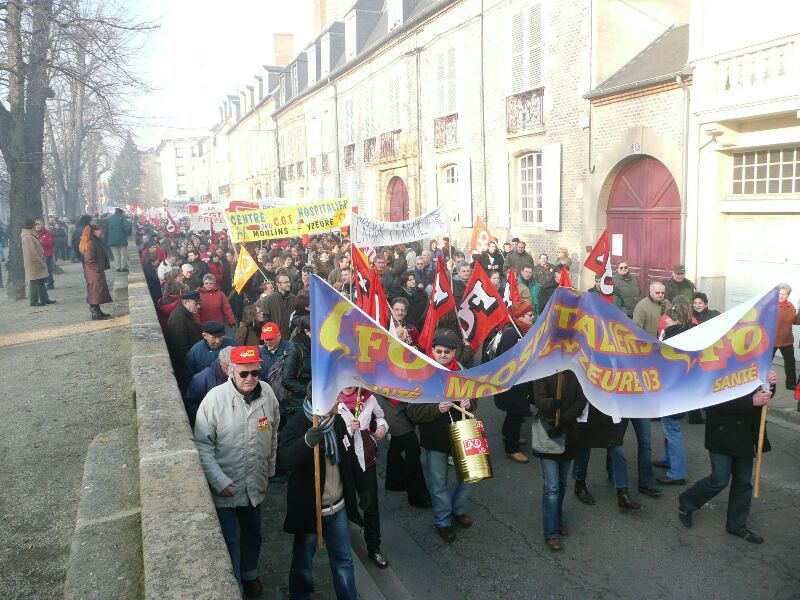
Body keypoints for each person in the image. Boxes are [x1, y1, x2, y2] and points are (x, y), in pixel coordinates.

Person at [194, 345, 280, 597]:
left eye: (255, 373)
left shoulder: (268, 395)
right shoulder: (214, 399)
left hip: (254, 483)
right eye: (244, 374)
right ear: (231, 371)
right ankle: (235, 587)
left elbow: (273, 435)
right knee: (229, 540)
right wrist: (218, 480)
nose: (250, 379)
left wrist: (269, 470)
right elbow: (202, 444)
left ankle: (249, 575)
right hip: (227, 487)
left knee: (254, 533)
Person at [280, 383, 361, 600]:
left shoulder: (338, 422)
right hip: (311, 510)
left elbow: (348, 459)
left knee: (344, 560)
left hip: (338, 509)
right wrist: (306, 442)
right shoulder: (298, 423)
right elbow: (286, 459)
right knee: (303, 563)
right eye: (335, 398)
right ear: (322, 402)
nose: (340, 400)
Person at [678, 371, 776, 544]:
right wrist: (750, 402)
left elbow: (765, 394)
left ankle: (737, 525)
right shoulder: (718, 363)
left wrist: (770, 383)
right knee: (719, 479)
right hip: (721, 432)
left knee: (743, 482)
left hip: (746, 433)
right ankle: (688, 501)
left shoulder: (756, 360)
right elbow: (710, 401)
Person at [406, 329, 477, 543]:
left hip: (463, 432)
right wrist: (437, 409)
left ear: (455, 352)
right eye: (439, 351)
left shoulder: (463, 372)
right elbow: (413, 411)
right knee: (439, 483)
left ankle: (456, 508)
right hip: (436, 438)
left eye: (447, 352)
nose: (443, 355)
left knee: (469, 477)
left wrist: (469, 403)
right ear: (432, 351)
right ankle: (443, 520)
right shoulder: (422, 374)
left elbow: (475, 400)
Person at [531, 371, 586, 551]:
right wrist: (553, 403)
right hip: (548, 432)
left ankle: (557, 518)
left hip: (569, 432)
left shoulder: (577, 372)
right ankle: (551, 532)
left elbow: (582, 398)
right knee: (552, 487)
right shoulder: (544, 369)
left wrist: (565, 417)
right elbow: (539, 399)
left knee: (562, 483)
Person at [337, 387, 390, 568]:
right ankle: (342, 548)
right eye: (345, 380)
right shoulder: (332, 401)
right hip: (343, 464)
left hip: (366, 460)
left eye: (352, 379)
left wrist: (382, 427)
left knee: (370, 505)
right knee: (343, 505)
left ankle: (374, 548)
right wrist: (349, 431)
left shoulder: (368, 398)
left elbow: (380, 417)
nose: (348, 384)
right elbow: (328, 433)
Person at [654, 304, 693, 486]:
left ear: (675, 319)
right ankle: (668, 459)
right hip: (682, 388)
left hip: (672, 389)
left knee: (672, 429)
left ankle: (677, 472)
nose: (666, 319)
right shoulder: (690, 333)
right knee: (670, 427)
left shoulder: (671, 335)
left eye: (669, 317)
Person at [494, 301, 535, 463]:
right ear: (519, 316)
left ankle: (509, 434)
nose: (532, 317)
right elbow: (506, 360)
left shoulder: (524, 330)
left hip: (521, 382)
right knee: (516, 413)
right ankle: (512, 448)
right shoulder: (511, 333)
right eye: (529, 315)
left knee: (515, 413)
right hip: (512, 384)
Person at [184, 346, 232, 427]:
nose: (232, 369)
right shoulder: (201, 378)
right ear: (220, 362)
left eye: (235, 365)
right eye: (228, 365)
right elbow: (191, 404)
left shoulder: (245, 375)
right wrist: (208, 420)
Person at [165, 290, 203, 391]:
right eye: (196, 304)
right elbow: (179, 349)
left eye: (200, 303)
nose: (199, 307)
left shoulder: (185, 314)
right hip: (185, 367)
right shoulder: (179, 319)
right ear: (185, 302)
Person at [78, 223, 113, 320]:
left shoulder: (93, 241)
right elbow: (89, 259)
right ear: (94, 231)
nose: (101, 231)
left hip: (93, 271)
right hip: (93, 271)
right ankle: (95, 313)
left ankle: (98, 312)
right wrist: (97, 269)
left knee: (96, 292)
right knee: (95, 291)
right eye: (100, 230)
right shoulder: (91, 242)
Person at [283, 316, 313, 416]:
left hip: (317, 400)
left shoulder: (319, 346)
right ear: (307, 331)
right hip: (298, 403)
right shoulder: (295, 348)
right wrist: (309, 392)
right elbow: (287, 380)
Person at [21, 219, 54, 307]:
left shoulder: (30, 235)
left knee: (40, 281)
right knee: (34, 282)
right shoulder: (27, 237)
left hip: (36, 262)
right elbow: (32, 252)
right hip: (33, 263)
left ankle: (44, 299)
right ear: (31, 226)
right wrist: (39, 261)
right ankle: (34, 301)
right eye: (34, 225)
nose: (35, 227)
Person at [773, 283, 799, 390]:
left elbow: (795, 321)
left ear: (788, 295)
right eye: (780, 293)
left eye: (784, 294)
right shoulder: (771, 306)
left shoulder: (791, 306)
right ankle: (758, 382)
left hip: (786, 340)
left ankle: (791, 384)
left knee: (790, 362)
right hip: (771, 341)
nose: (781, 295)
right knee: (764, 363)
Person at [261, 272, 296, 339]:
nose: (289, 284)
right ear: (278, 284)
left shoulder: (294, 299)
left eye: (289, 282)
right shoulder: (268, 301)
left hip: (291, 337)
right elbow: (265, 320)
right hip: (275, 338)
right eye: (285, 282)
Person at [35, 220, 56, 289]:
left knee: (46, 269)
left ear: (42, 225)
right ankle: (44, 282)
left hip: (47, 253)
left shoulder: (48, 233)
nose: (37, 226)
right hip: (38, 254)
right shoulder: (34, 233)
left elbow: (51, 243)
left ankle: (50, 283)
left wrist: (41, 242)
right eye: (36, 225)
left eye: (39, 225)